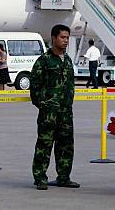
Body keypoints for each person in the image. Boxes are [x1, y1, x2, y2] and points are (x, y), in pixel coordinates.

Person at [30, 24, 79, 190]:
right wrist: (44, 105)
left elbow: (70, 85)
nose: (65, 41)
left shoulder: (68, 60)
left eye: (67, 38)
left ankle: (63, 177)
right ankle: (40, 178)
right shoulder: (44, 61)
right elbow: (34, 87)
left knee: (66, 146)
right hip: (49, 114)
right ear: (53, 38)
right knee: (44, 146)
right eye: (62, 37)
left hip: (66, 113)